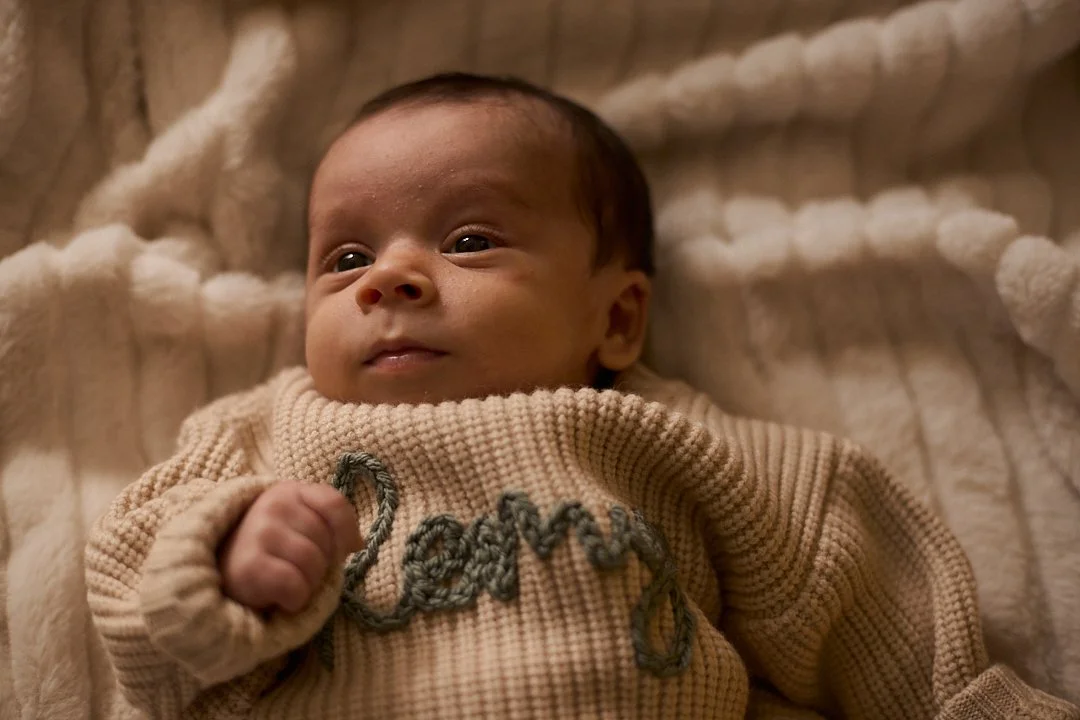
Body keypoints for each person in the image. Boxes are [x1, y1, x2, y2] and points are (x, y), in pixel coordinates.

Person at [85, 73, 1078, 719]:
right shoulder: (266, 431)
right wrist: (221, 559)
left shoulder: (672, 442)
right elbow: (134, 606)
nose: (389, 278)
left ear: (616, 320)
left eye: (469, 240)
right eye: (345, 259)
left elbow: (872, 594)